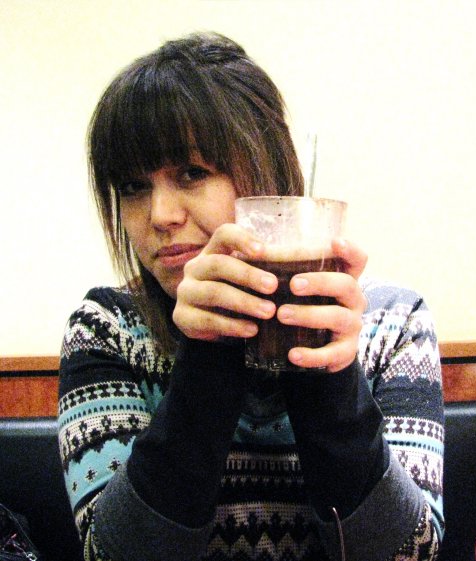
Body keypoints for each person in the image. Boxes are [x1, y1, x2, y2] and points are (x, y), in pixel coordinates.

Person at [58, 32, 445, 561]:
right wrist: (210, 346)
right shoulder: (106, 329)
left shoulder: (394, 323)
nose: (159, 215)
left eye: (192, 173)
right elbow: (110, 555)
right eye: (132, 187)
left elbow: (410, 553)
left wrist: (324, 366)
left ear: (268, 174)